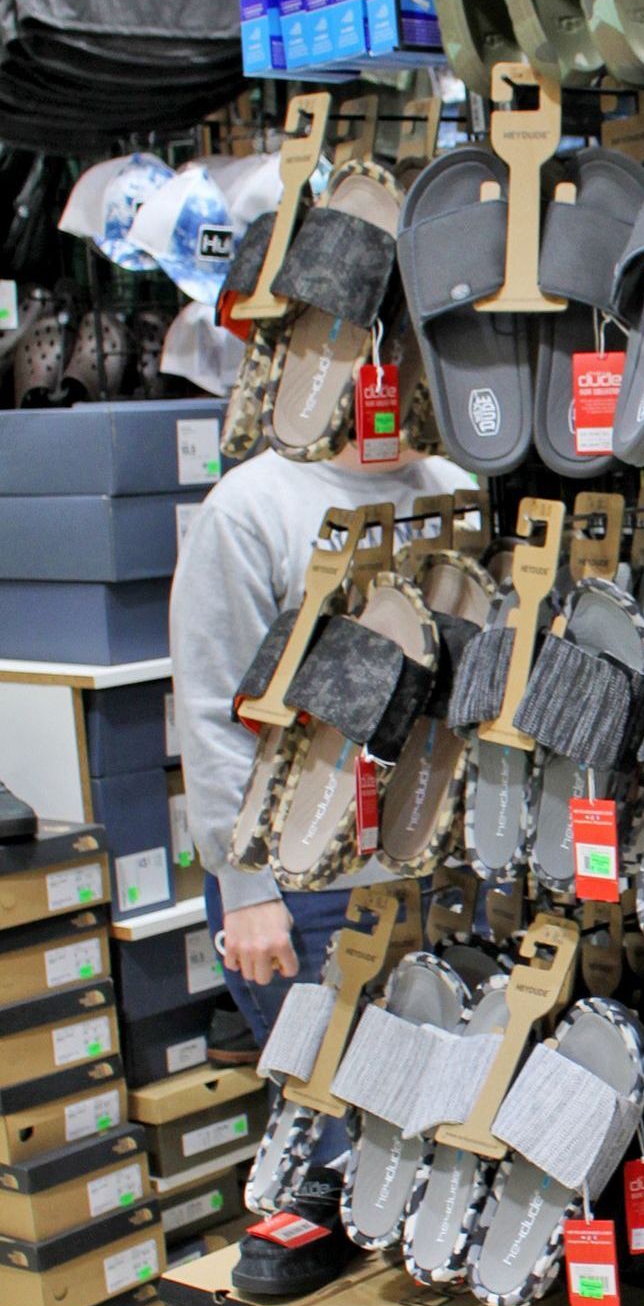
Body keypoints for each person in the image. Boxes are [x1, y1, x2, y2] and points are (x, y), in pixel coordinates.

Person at [171, 445, 470, 1054]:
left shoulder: (454, 488)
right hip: (306, 895)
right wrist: (245, 890)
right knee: (331, 1134)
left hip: (438, 875)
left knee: (432, 1128)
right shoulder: (249, 507)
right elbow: (212, 710)